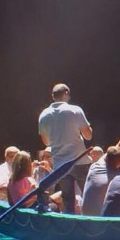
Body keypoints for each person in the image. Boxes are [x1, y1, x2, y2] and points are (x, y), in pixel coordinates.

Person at [38, 83, 92, 214]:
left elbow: (46, 142)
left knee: (67, 199)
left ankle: (69, 226)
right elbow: (88, 136)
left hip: (60, 164)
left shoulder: (43, 115)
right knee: (89, 195)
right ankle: (93, 226)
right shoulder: (75, 110)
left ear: (52, 96)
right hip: (80, 161)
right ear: (66, 94)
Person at [80, 144, 120, 216]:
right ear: (119, 162)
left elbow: (106, 156)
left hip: (84, 214)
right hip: (100, 219)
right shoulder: (118, 176)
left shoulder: (94, 167)